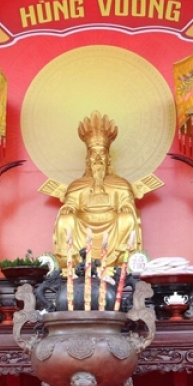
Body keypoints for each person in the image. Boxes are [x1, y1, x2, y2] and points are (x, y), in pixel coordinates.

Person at [52, 111, 143, 268]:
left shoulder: (120, 184)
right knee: (65, 220)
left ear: (109, 159)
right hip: (83, 225)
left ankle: (120, 256)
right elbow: (71, 203)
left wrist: (126, 206)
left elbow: (127, 202)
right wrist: (68, 208)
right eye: (94, 155)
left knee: (127, 218)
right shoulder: (77, 185)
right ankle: (72, 259)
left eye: (102, 154)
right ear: (87, 159)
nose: (98, 159)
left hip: (113, 225)